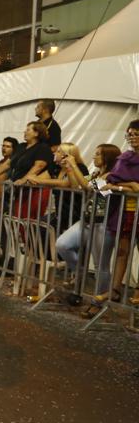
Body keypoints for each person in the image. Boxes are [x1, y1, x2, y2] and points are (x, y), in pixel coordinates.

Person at [56, 144, 120, 307]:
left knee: (101, 264)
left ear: (107, 157)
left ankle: (98, 302)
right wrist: (70, 169)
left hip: (103, 223)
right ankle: (80, 272)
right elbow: (77, 186)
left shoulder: (112, 176)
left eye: (98, 154)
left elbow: (86, 186)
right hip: (87, 220)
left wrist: (74, 165)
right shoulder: (96, 173)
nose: (94, 157)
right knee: (62, 244)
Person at [95, 121, 139, 305]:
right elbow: (114, 183)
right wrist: (127, 185)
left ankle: (137, 292)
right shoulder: (125, 157)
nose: (133, 137)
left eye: (137, 133)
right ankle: (114, 290)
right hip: (125, 209)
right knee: (122, 250)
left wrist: (122, 185)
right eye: (130, 134)